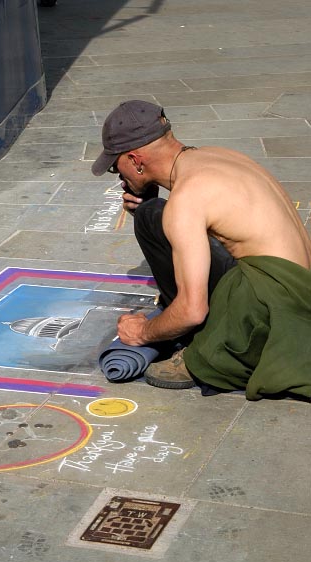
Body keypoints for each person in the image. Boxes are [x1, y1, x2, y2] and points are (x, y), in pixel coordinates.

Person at [92, 100, 311, 400]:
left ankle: (210, 345)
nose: (118, 175)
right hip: (300, 291)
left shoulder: (186, 200)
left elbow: (193, 310)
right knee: (152, 213)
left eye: (116, 166)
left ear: (136, 159)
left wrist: (143, 332)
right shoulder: (218, 156)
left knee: (157, 219)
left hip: (269, 313)